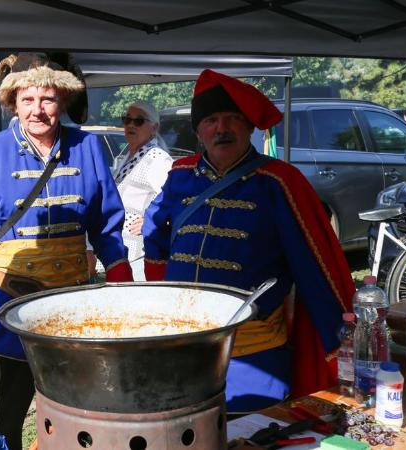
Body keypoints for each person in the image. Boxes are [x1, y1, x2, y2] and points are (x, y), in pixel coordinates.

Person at [142, 69, 354, 412]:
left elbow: (315, 265)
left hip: (253, 353)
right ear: (198, 130)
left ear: (249, 127)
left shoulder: (279, 181)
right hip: (182, 345)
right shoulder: (180, 174)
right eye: (211, 120)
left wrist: (340, 344)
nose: (222, 129)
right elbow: (154, 234)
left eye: (232, 119)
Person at [0, 52, 132, 450]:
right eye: (27, 99)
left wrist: (121, 277)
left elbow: (107, 222)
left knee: (76, 404)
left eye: (47, 99)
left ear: (62, 102)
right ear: (12, 102)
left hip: (73, 300)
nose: (37, 110)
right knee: (9, 408)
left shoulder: (88, 147)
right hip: (11, 302)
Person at [111, 101, 173, 280]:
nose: (130, 124)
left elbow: (173, 201)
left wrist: (150, 220)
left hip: (139, 252)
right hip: (121, 248)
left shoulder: (157, 159)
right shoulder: (128, 155)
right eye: (127, 119)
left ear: (154, 128)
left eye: (138, 121)